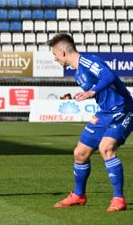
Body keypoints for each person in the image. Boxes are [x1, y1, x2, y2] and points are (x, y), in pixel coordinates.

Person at [48, 34, 133, 212]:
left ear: (62, 51)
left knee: (106, 148)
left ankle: (119, 198)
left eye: (55, 54)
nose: (54, 58)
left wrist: (92, 92)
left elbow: (108, 75)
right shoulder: (77, 71)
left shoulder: (87, 61)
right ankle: (78, 196)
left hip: (123, 109)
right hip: (104, 113)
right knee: (80, 153)